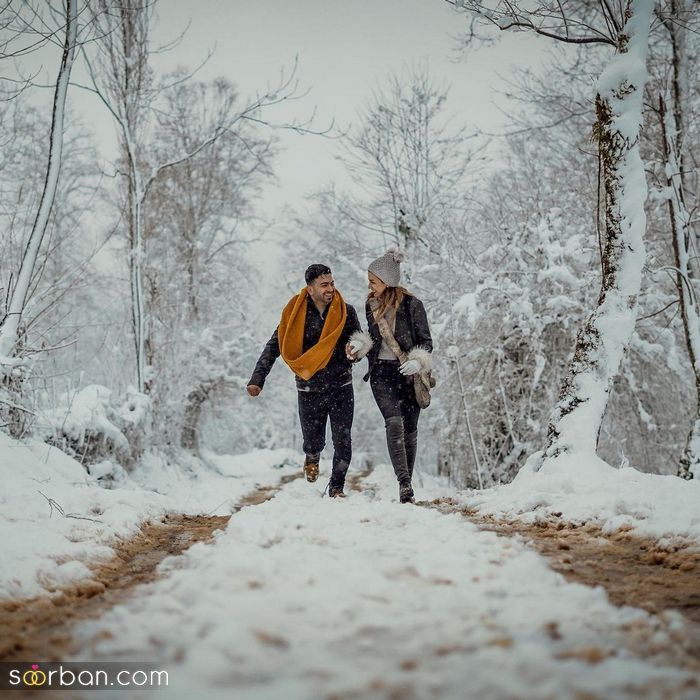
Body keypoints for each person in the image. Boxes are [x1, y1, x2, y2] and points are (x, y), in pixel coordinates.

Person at [247, 264, 372, 498]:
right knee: (313, 440)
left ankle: (336, 488)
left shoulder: (346, 312)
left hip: (341, 386)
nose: (330, 288)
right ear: (310, 288)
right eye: (324, 285)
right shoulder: (295, 315)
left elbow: (360, 340)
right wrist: (258, 378)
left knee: (343, 440)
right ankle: (312, 456)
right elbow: (275, 345)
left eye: (332, 283)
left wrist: (356, 350)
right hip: (309, 389)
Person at [358, 249, 433, 504]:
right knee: (394, 423)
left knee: (410, 430)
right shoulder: (371, 305)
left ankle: (406, 485)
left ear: (387, 281)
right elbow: (372, 338)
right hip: (381, 374)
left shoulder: (413, 305)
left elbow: (426, 342)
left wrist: (417, 361)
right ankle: (404, 483)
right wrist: (360, 346)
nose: (370, 285)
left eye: (373, 281)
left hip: (408, 374)